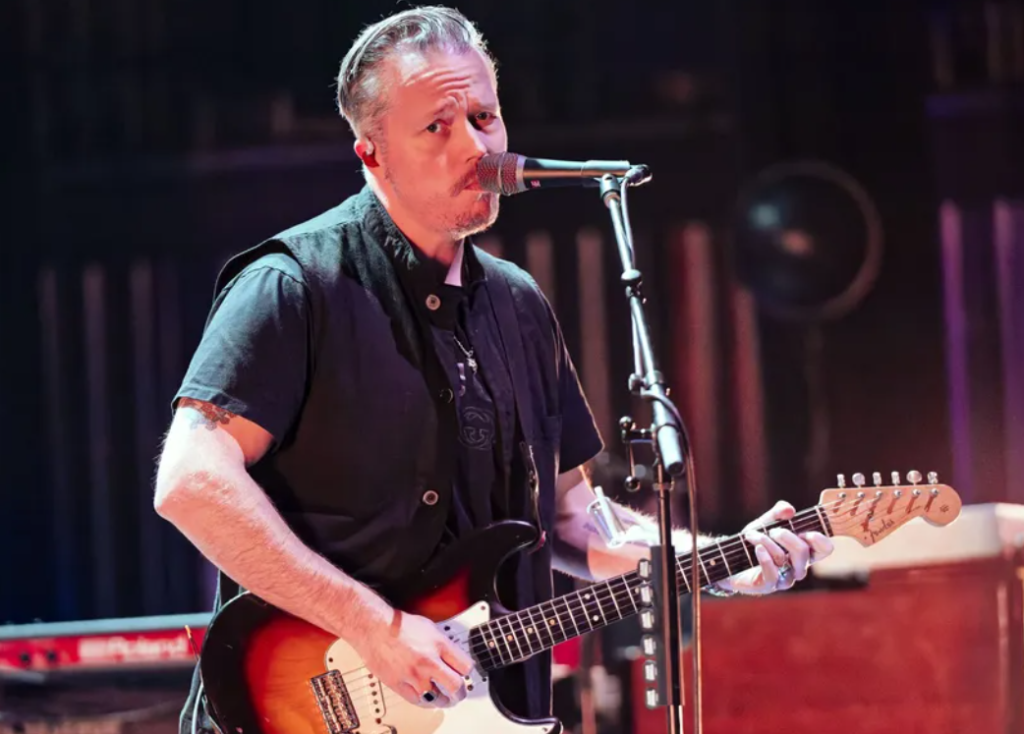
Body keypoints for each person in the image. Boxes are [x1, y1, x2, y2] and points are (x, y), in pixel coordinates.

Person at [154, 6, 834, 732]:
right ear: (372, 153)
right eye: (437, 128)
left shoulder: (519, 306)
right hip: (302, 703)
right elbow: (192, 485)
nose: (474, 145)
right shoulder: (294, 285)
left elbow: (574, 522)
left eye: (484, 116)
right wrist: (373, 626)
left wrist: (722, 562)